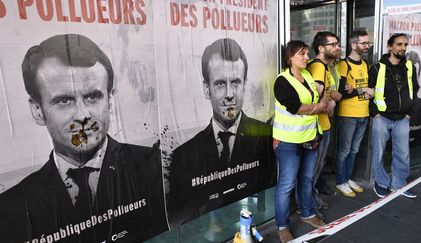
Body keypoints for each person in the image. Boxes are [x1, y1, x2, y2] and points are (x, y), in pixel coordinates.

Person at [0, 34, 168, 243]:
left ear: (110, 100)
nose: (82, 115)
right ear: (37, 110)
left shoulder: (158, 167)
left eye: (93, 96)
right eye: (64, 100)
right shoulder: (10, 209)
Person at [168, 38, 276, 226]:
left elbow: (265, 192)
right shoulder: (183, 157)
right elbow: (182, 218)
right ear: (206, 89)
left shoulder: (265, 135)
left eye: (235, 82)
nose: (229, 94)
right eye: (219, 83)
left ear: (244, 85)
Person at [274, 40, 326, 242]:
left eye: (307, 53)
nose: (307, 57)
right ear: (290, 57)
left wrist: (319, 104)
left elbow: (320, 97)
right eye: (302, 54)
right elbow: (296, 107)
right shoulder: (282, 80)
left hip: (310, 136)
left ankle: (308, 214)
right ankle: (282, 225)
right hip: (288, 141)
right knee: (287, 184)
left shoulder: (307, 75)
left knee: (306, 179)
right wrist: (319, 107)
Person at [369, 33, 420, 199]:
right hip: (381, 117)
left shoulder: (410, 66)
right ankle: (381, 183)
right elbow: (369, 94)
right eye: (399, 44)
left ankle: (398, 184)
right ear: (390, 46)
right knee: (379, 152)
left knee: (402, 153)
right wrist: (375, 114)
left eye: (405, 44)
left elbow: (415, 90)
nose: (403, 48)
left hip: (403, 118)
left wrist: (410, 114)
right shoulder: (377, 68)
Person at [335, 30, 375, 197]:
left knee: (354, 150)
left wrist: (361, 90)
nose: (367, 46)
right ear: (353, 45)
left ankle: (348, 178)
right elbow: (342, 92)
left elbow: (371, 89)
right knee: (344, 150)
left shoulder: (365, 64)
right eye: (363, 43)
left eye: (367, 43)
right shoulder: (343, 65)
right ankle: (340, 181)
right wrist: (364, 89)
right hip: (348, 114)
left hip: (363, 113)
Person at [307, 31, 342, 214]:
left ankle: (312, 200)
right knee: (312, 170)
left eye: (338, 44)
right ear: (321, 48)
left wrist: (332, 98)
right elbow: (316, 95)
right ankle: (308, 205)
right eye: (333, 44)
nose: (338, 48)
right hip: (319, 126)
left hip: (324, 124)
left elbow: (325, 93)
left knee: (316, 168)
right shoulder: (318, 66)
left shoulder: (326, 67)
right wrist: (328, 103)